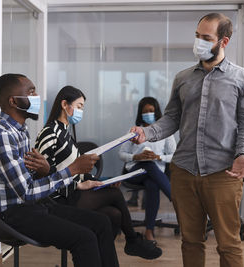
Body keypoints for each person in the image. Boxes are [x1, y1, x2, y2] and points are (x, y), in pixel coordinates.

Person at [131, 13, 244, 267]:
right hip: (184, 171)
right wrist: (148, 132)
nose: (199, 42)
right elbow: (171, 119)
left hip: (223, 172)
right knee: (190, 241)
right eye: (197, 36)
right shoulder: (183, 78)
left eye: (206, 38)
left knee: (228, 244)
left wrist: (242, 153)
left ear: (223, 42)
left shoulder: (243, 79)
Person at [0, 73, 119, 267]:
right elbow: (26, 192)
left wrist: (44, 170)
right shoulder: (0, 136)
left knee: (101, 223)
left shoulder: (21, 132)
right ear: (13, 101)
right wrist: (71, 170)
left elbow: (26, 179)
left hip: (32, 206)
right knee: (84, 238)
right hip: (11, 214)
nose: (37, 96)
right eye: (31, 92)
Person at [34, 85, 162, 260]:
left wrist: (96, 181)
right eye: (79, 106)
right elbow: (45, 175)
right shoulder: (50, 133)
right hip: (59, 199)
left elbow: (75, 169)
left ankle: (116, 251)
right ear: (65, 104)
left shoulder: (65, 133)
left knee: (115, 215)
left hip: (72, 191)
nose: (81, 111)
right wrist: (78, 184)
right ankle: (132, 240)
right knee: (115, 194)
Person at [119, 97, 176, 243]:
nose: (148, 114)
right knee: (148, 164)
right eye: (145, 112)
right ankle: (175, 198)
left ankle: (149, 230)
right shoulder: (133, 131)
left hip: (155, 175)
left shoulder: (165, 133)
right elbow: (121, 154)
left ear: (156, 112)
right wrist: (137, 156)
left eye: (151, 111)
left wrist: (158, 157)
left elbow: (174, 156)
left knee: (153, 184)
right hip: (134, 172)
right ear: (140, 113)